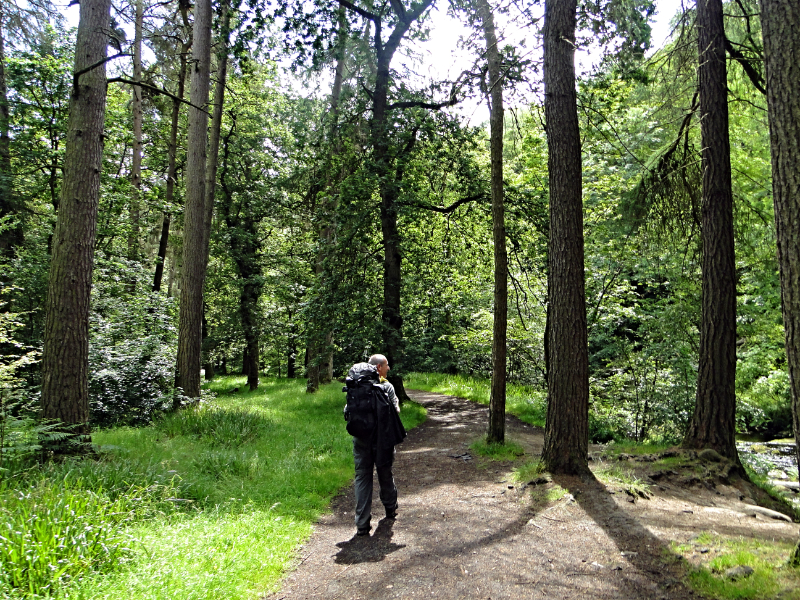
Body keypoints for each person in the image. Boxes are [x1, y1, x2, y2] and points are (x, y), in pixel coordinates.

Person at [351, 354, 401, 536]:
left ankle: (362, 525)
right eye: (387, 365)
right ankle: (390, 509)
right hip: (382, 439)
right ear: (379, 367)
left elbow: (348, 411)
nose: (388, 368)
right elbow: (395, 410)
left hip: (360, 439)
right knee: (384, 473)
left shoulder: (356, 386)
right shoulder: (386, 386)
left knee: (362, 477)